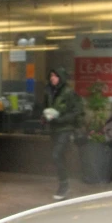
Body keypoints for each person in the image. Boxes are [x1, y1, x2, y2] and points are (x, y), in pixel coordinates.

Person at [43, 68, 82, 200]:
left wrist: (61, 118)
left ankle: (64, 185)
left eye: (55, 76)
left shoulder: (68, 93)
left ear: (61, 77)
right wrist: (45, 116)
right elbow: (44, 106)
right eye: (51, 75)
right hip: (54, 129)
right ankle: (64, 182)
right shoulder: (49, 91)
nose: (52, 78)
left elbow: (77, 111)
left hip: (65, 129)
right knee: (59, 157)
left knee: (57, 155)